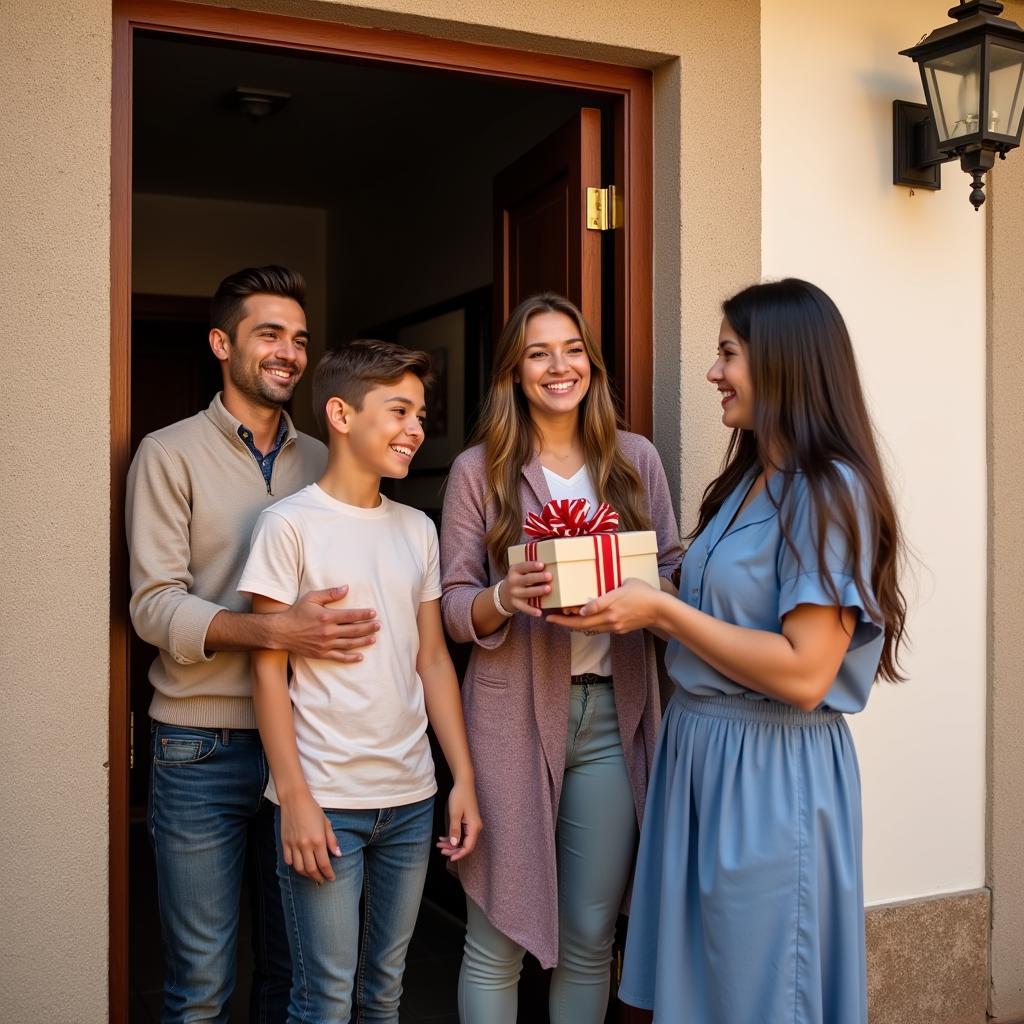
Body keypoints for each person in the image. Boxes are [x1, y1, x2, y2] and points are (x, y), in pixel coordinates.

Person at [550, 278, 908, 1024]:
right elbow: (704, 607)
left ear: (782, 363)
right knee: (704, 993)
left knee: (763, 996)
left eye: (727, 355)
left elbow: (807, 672)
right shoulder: (747, 482)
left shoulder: (825, 490)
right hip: (701, 760)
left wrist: (663, 614)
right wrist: (612, 587)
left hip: (771, 775)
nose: (713, 373)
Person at [126, 266, 380, 1023]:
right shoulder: (166, 454)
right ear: (221, 343)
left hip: (305, 750)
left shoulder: (323, 459)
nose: (289, 352)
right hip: (196, 748)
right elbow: (153, 606)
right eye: (269, 334)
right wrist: (275, 630)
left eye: (300, 339)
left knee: (291, 973)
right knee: (202, 983)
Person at [440, 293, 683, 1024]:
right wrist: (503, 596)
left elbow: (673, 574)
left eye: (572, 349)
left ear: (591, 364)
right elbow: (453, 608)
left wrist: (645, 596)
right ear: (515, 372)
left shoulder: (634, 459)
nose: (559, 366)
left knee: (589, 937)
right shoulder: (477, 469)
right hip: (509, 717)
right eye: (539, 352)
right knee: (497, 938)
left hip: (613, 714)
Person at [238, 339, 482, 1024]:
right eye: (400, 411)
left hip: (409, 800)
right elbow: (268, 666)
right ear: (341, 415)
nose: (416, 429)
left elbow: (432, 659)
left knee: (383, 993)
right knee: (322, 1000)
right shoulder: (288, 525)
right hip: (325, 801)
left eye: (422, 414)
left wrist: (460, 776)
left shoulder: (417, 530)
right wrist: (294, 798)